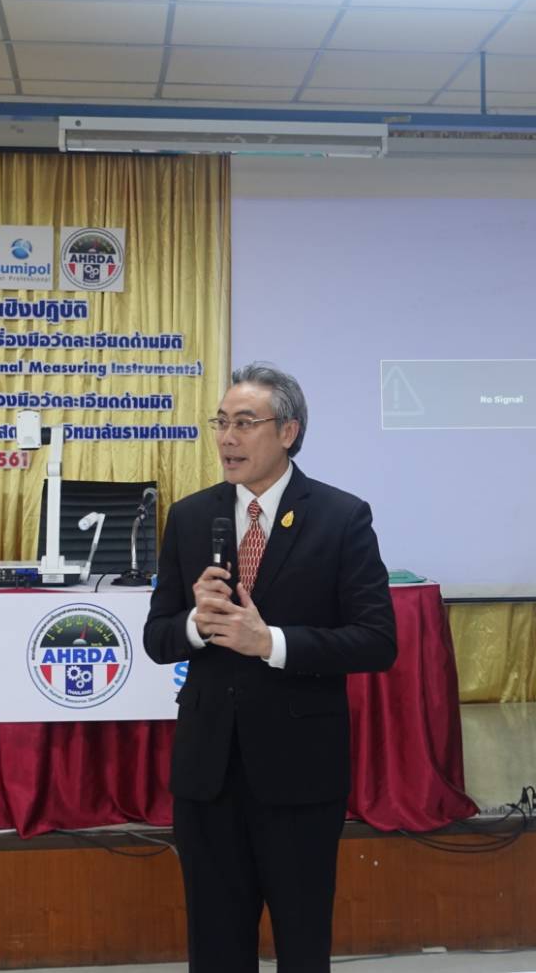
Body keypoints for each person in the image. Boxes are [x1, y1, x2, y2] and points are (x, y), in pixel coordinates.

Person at [144, 362, 397, 973]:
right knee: (215, 947)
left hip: (299, 771)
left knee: (302, 944)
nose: (227, 438)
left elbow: (376, 641)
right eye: (220, 423)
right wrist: (195, 623)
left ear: (288, 431)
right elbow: (157, 638)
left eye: (244, 423)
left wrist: (271, 643)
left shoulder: (340, 517)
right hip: (208, 772)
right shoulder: (190, 516)